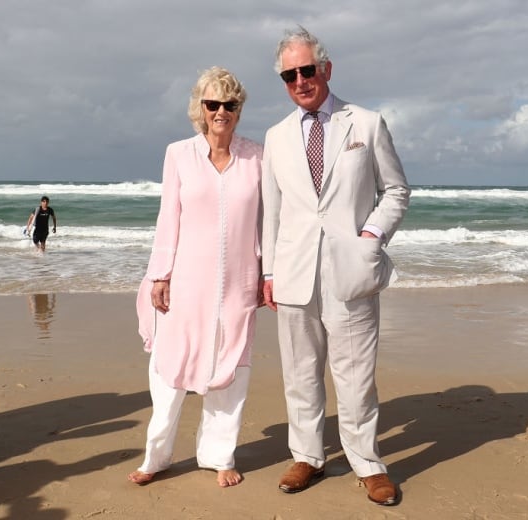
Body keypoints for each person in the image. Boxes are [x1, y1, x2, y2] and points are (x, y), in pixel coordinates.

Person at [261, 27, 410, 505]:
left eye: (307, 70)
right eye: (290, 75)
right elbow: (273, 210)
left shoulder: (365, 123)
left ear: (326, 68)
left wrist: (371, 236)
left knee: (355, 375)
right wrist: (267, 273)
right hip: (293, 272)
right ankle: (307, 456)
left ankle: (367, 463)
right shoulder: (276, 136)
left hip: (351, 270)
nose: (300, 80)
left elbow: (396, 191)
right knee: (301, 373)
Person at [129, 66, 263, 488]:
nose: (221, 111)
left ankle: (218, 456)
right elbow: (169, 215)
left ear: (239, 110)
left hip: (239, 281)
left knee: (231, 367)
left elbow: (268, 221)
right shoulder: (178, 154)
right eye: (213, 103)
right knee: (170, 368)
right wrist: (160, 274)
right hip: (186, 279)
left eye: (229, 104)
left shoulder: (257, 157)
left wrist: (267, 272)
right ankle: (157, 456)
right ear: (200, 109)